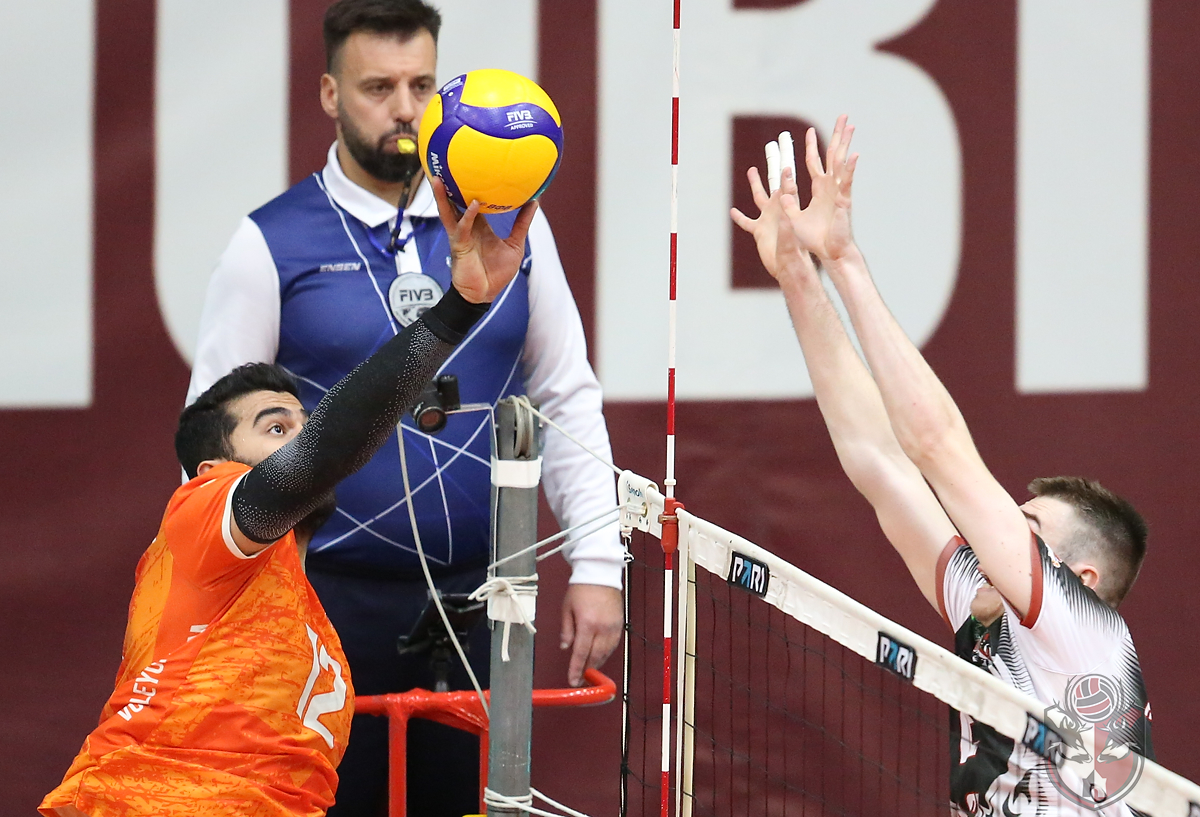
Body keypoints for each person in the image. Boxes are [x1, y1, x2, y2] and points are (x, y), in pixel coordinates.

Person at [185, 1, 623, 814]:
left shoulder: (514, 230)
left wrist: (598, 563)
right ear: (330, 94)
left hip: (481, 600)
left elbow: (566, 391)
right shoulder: (268, 244)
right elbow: (209, 451)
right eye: (377, 87)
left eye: (422, 85)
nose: (405, 110)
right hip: (323, 601)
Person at [40, 184, 534, 817]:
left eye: (303, 422)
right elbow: (329, 445)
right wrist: (459, 308)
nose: (301, 436)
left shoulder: (314, 631)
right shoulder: (200, 515)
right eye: (276, 427)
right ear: (213, 468)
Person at [732, 116, 1152, 815]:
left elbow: (935, 447)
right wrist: (798, 275)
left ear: (1081, 582)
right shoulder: (991, 608)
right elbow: (882, 462)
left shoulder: (1087, 634)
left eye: (1023, 531)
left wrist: (844, 258)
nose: (992, 534)